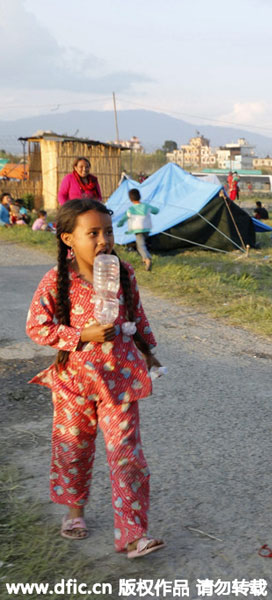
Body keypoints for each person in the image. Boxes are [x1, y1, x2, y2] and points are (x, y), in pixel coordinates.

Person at [25, 198, 164, 559]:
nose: (104, 240)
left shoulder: (125, 272)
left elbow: (138, 315)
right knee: (73, 451)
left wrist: (148, 350)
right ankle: (74, 512)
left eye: (108, 231)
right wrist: (81, 335)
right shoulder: (58, 279)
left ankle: (134, 534)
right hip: (74, 382)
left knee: (127, 456)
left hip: (119, 380)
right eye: (93, 233)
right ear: (69, 239)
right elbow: (36, 327)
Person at [116, 189, 159, 271]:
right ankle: (144, 259)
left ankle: (147, 259)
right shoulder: (146, 206)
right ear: (140, 196)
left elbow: (125, 218)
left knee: (140, 246)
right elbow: (156, 211)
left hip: (138, 230)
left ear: (130, 199)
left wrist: (120, 223)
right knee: (143, 244)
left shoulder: (131, 209)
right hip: (147, 229)